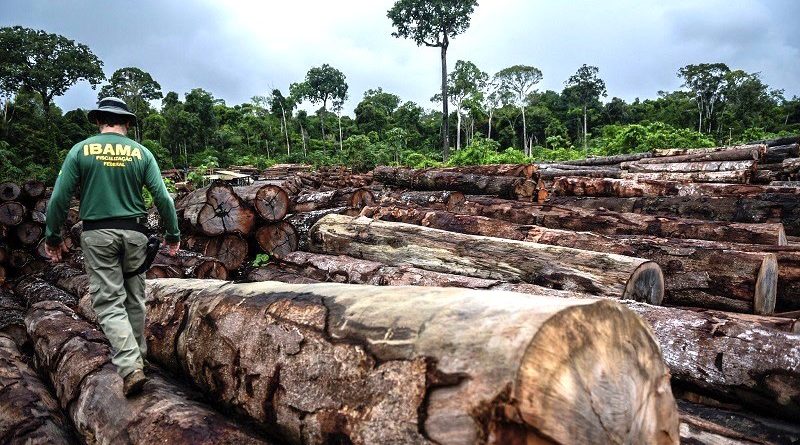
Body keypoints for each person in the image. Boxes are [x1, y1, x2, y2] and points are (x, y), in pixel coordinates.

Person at [44, 97, 180, 397]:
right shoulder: (142, 153)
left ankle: (131, 368)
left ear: (98, 121)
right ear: (127, 123)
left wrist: (52, 236)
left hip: (98, 235)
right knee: (134, 298)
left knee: (108, 302)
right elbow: (164, 198)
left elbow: (59, 199)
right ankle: (139, 360)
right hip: (135, 234)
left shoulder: (81, 150)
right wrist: (173, 233)